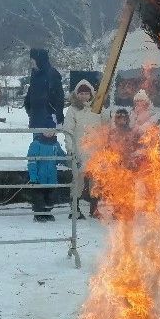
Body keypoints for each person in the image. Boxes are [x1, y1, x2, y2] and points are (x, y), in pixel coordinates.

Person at [61, 79, 105, 219]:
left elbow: (105, 127)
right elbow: (68, 130)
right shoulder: (72, 110)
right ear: (77, 94)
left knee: (95, 181)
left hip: (95, 150)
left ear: (91, 94)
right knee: (77, 180)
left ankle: (94, 209)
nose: (84, 96)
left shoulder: (98, 108)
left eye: (86, 93)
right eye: (81, 93)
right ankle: (75, 209)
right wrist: (70, 149)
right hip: (79, 150)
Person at [27, 128, 67, 221]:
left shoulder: (55, 144)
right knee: (39, 196)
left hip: (51, 176)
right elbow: (32, 161)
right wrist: (33, 176)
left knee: (50, 196)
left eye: (51, 131)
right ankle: (38, 214)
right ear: (42, 131)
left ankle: (47, 212)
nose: (49, 133)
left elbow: (61, 157)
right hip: (39, 176)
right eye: (46, 130)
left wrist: (69, 160)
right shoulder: (36, 144)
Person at [24, 48, 65, 130]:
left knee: (49, 142)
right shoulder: (34, 74)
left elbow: (59, 96)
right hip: (35, 117)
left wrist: (58, 116)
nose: (31, 62)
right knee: (36, 142)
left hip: (49, 117)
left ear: (39, 60)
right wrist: (28, 106)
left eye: (33, 59)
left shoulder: (52, 74)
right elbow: (31, 93)